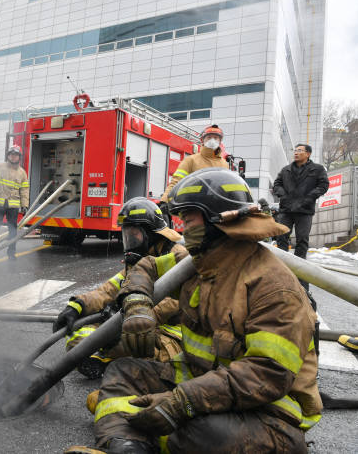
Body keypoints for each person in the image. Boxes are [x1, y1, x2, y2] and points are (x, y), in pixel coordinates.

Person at [69, 168, 321, 454]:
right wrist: (137, 300)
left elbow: (266, 375)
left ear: (218, 220)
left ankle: (146, 436)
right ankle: (125, 448)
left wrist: (181, 402)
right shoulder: (198, 260)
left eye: (188, 220)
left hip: (269, 413)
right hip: (203, 378)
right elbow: (148, 266)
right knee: (123, 372)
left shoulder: (274, 288)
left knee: (203, 431)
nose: (182, 230)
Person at [52, 197, 187, 379]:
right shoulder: (139, 258)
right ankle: (101, 360)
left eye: (134, 235)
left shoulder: (178, 257)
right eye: (126, 235)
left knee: (133, 341)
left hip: (169, 329)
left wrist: (125, 319)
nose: (129, 241)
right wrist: (77, 306)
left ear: (152, 234)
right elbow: (110, 289)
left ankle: (110, 360)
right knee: (79, 333)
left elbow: (172, 303)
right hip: (132, 318)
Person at [272, 144, 329, 290]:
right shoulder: (286, 170)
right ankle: (283, 266)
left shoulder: (317, 169)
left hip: (304, 210)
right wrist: (283, 195)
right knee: (282, 237)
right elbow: (276, 184)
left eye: (299, 151)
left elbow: (323, 185)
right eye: (295, 150)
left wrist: (310, 197)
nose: (296, 153)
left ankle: (299, 269)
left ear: (308, 154)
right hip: (286, 209)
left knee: (302, 239)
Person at [159, 124, 228, 204]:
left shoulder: (224, 164)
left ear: (220, 141)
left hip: (217, 206)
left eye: (216, 138)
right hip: (193, 206)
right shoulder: (190, 160)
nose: (212, 140)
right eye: (209, 137)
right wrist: (164, 201)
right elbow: (176, 182)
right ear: (203, 140)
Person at [0, 145, 29, 260]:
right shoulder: (0, 167)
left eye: (15, 155)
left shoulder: (22, 173)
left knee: (13, 230)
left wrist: (24, 205)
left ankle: (11, 253)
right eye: (11, 155)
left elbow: (24, 190)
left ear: (19, 157)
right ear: (8, 155)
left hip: (13, 206)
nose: (13, 157)